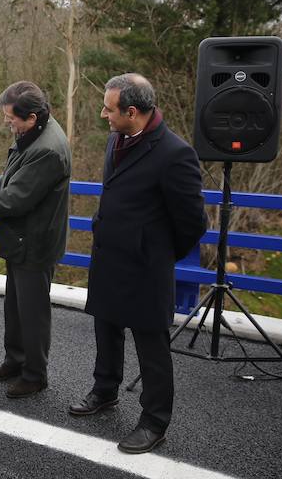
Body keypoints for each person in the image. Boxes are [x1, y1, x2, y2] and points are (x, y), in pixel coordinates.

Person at [69, 73, 207, 454]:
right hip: (110, 257)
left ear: (133, 111)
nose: (102, 115)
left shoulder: (175, 153)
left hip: (146, 266)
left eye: (108, 109)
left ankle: (154, 421)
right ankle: (105, 390)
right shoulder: (117, 139)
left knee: (152, 347)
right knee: (106, 330)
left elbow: (193, 222)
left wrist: (159, 253)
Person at [0, 81, 71, 399]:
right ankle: (15, 360)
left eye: (11, 119)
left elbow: (17, 198)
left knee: (32, 312)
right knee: (16, 307)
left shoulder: (48, 149)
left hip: (35, 241)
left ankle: (35, 375)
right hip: (23, 238)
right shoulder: (36, 133)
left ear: (32, 117)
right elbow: (15, 174)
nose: (7, 123)